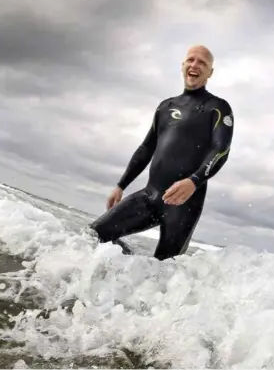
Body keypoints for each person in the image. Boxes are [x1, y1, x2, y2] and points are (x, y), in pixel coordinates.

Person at [87, 45, 234, 260]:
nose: (195, 65)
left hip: (183, 207)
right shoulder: (166, 107)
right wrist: (121, 185)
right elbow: (146, 148)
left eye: (202, 62)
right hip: (149, 197)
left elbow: (221, 150)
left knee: (163, 273)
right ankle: (126, 263)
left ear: (210, 72)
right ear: (183, 66)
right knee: (92, 236)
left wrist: (193, 181)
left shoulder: (218, 108)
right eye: (190, 60)